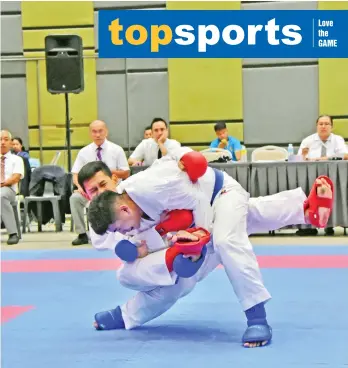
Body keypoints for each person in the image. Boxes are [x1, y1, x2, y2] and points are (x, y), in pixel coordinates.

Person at [86, 149, 334, 348]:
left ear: (124, 208)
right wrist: (143, 249)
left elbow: (198, 199)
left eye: (121, 228)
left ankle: (256, 316)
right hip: (188, 231)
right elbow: (137, 243)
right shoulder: (114, 213)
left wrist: (200, 237)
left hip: (219, 193)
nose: (124, 232)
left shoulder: (150, 186)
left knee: (227, 239)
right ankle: (126, 315)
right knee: (173, 283)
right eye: (91, 191)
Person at [70, 120, 130, 246]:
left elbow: (126, 172)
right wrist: (81, 187)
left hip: (112, 189)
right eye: (94, 131)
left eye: (100, 131)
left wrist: (105, 172)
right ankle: (81, 234)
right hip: (90, 191)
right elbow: (75, 174)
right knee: (75, 198)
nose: (97, 134)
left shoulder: (116, 150)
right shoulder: (84, 152)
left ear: (106, 131)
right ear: (90, 134)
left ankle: (120, 232)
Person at [1, 130, 25, 245]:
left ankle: (12, 233)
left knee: (1, 195)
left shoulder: (17, 159)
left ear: (11, 143)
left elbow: (15, 178)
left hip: (9, 190)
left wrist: (2, 184)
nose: (2, 142)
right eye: (0, 140)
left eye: (6, 140)